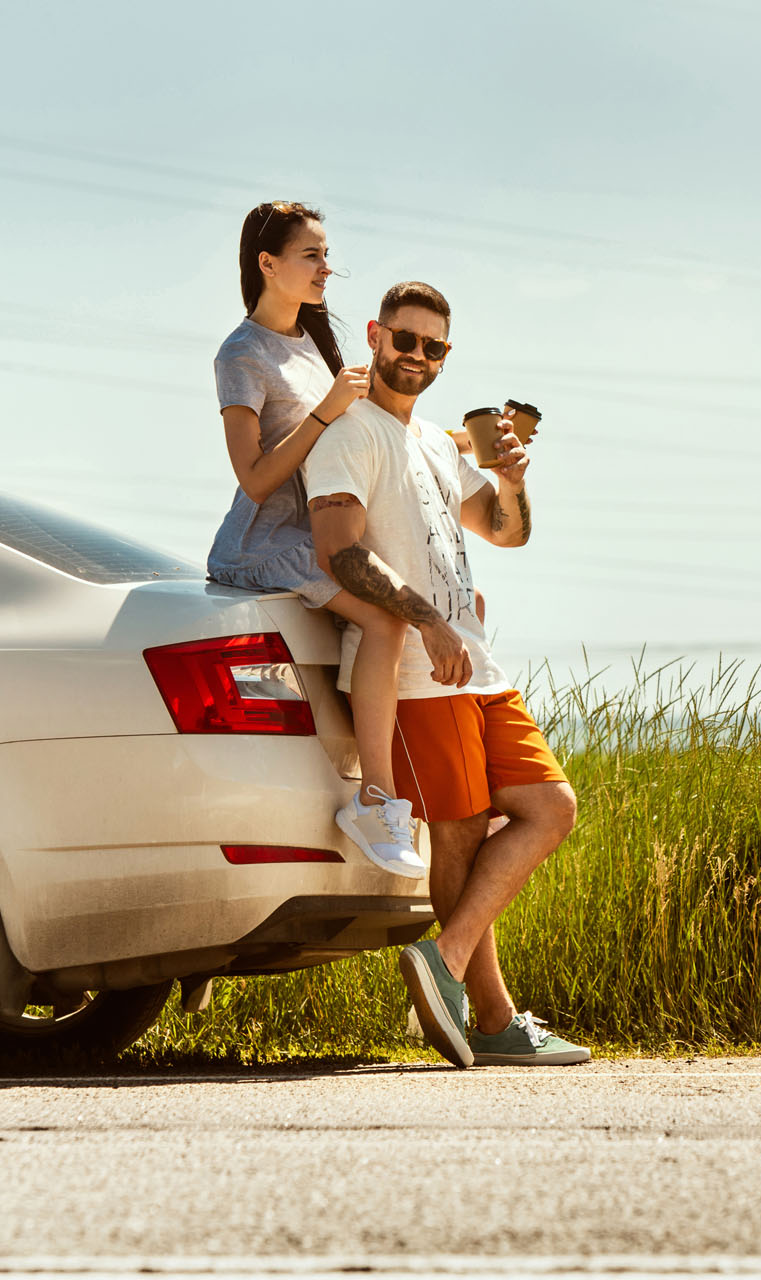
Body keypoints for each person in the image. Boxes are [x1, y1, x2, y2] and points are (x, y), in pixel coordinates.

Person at [304, 281, 588, 1068]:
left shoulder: (432, 440)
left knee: (549, 807)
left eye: (432, 347)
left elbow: (503, 532)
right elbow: (341, 553)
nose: (416, 356)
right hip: (419, 673)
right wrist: (425, 620)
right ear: (374, 334)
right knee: (460, 830)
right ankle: (493, 1020)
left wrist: (514, 481)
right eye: (404, 340)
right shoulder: (346, 435)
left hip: (478, 666)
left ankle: (448, 958)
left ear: (445, 356)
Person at [205, 202, 422, 879]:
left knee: (413, 604)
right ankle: (377, 800)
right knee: (386, 619)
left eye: (327, 255)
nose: (327, 267)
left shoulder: (315, 340)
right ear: (268, 264)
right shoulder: (241, 354)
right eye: (312, 255)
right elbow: (256, 478)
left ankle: (416, 789)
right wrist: (326, 411)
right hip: (262, 546)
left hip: (321, 534)